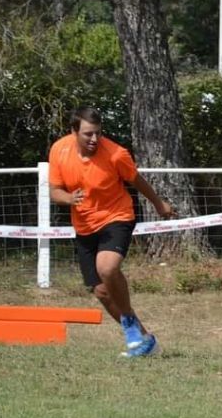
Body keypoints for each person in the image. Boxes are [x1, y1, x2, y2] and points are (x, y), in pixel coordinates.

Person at [48, 107, 174, 357]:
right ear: (74, 132)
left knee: (107, 268)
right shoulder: (59, 150)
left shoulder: (116, 154)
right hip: (84, 226)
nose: (94, 139)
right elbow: (54, 191)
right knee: (102, 291)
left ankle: (127, 322)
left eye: (98, 133)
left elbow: (137, 181)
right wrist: (69, 198)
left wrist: (159, 205)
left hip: (117, 217)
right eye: (88, 134)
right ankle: (145, 341)